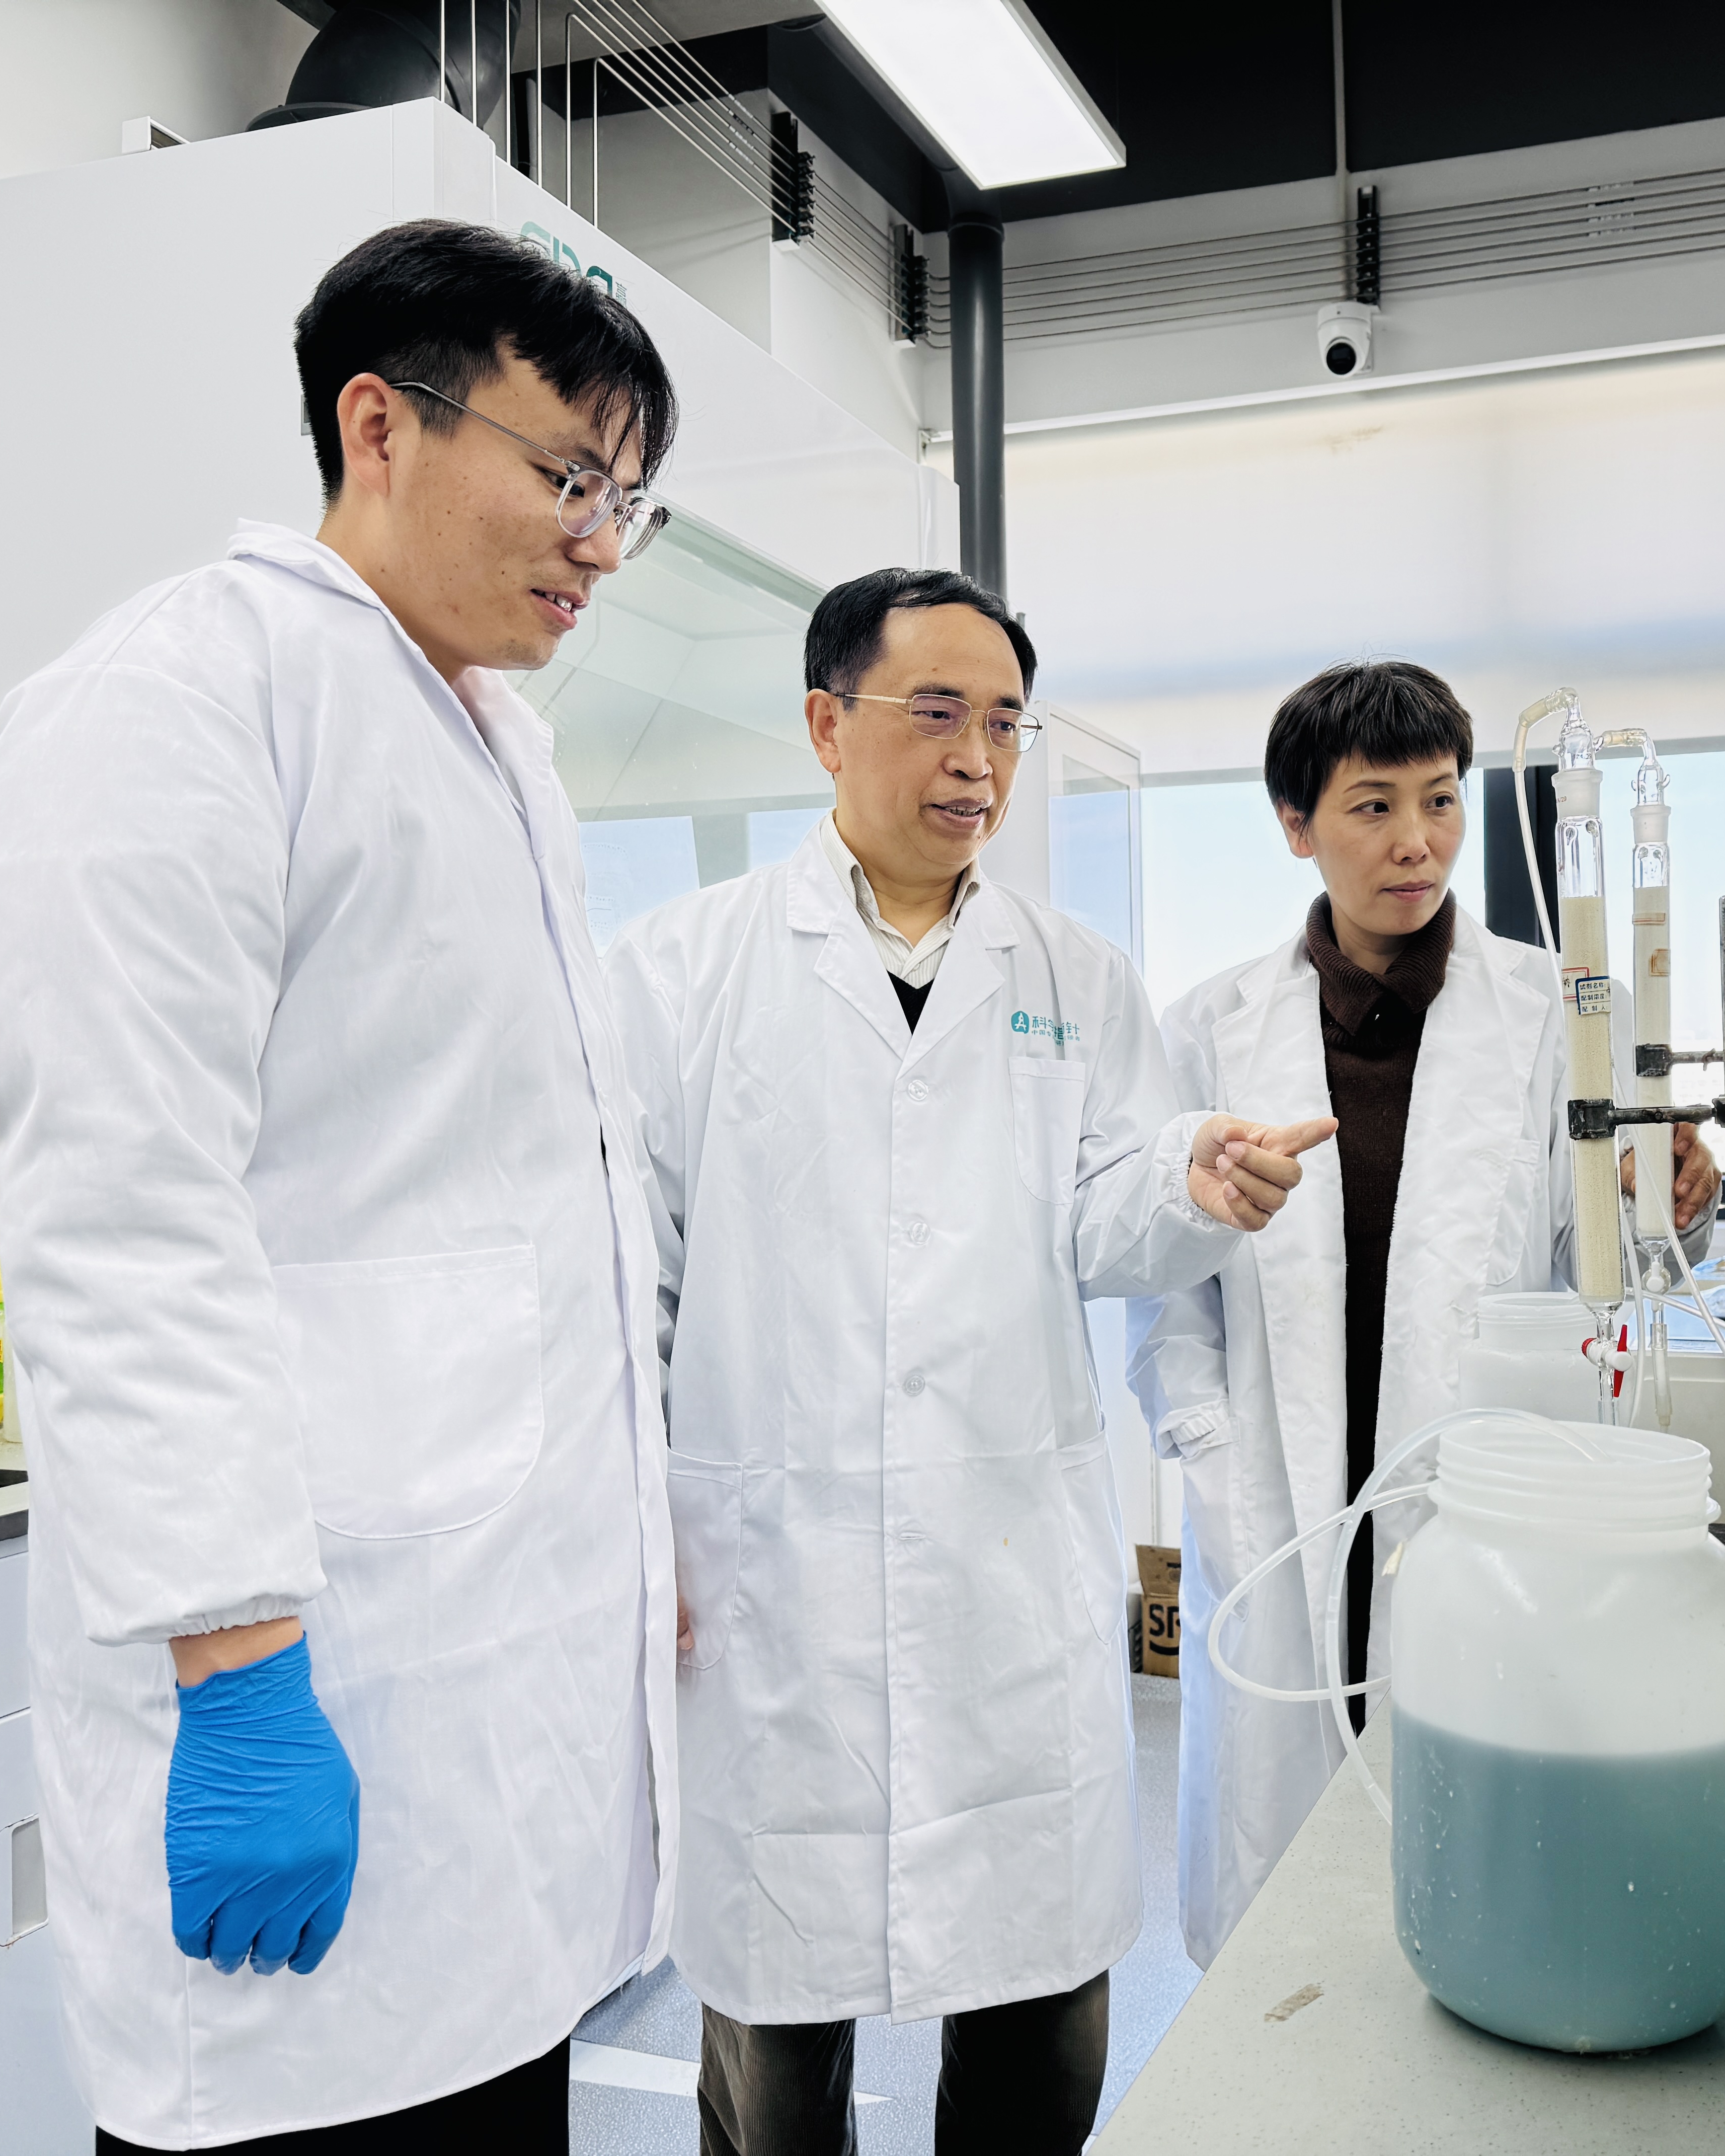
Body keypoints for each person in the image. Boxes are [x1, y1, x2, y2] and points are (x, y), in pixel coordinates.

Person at [0, 219, 684, 2151]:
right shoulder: (176, 701)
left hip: (490, 1752)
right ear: (380, 424)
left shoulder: (499, 748)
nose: (604, 544)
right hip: (307, 1690)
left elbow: (530, 1223)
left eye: (627, 499)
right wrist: (237, 1668)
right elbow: (124, 1217)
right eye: (570, 477)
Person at [602, 567, 1336, 2156]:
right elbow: (628, 1277)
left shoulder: (1071, 975)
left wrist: (1190, 1185)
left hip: (1005, 1580)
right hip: (774, 1579)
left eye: (1005, 723)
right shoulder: (682, 971)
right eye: (937, 712)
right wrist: (636, 1518)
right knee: (775, 2062)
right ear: (827, 724)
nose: (978, 759)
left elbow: (1107, 1212)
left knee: (1038, 2028)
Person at [1126, 660, 1715, 1968]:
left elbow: (1607, 1259)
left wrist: (1678, 1195)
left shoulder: (1558, 1012)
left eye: (1441, 800)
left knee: (1466, 1848)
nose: (1417, 841)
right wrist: (1214, 1459)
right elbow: (1164, 1289)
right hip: (1276, 1498)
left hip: (1474, 1483)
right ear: (1297, 825)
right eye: (1374, 805)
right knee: (1281, 1903)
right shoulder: (1210, 1029)